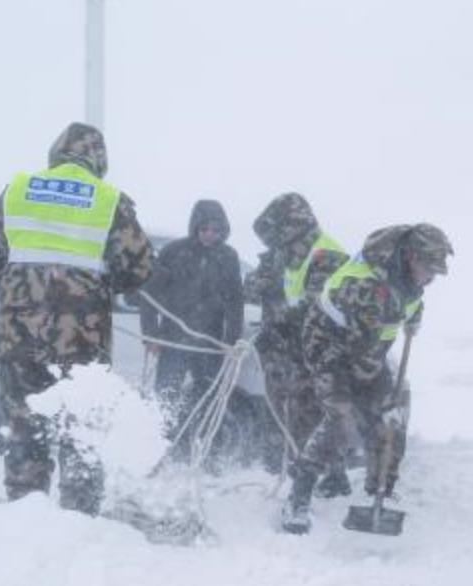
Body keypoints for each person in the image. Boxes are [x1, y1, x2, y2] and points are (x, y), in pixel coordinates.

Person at [0, 122, 153, 515]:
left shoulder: (19, 189)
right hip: (82, 344)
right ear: (99, 159)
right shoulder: (109, 200)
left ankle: (26, 517)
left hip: (19, 337)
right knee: (81, 435)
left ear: (57, 152)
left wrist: (26, 289)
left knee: (25, 431)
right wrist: (101, 284)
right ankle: (78, 523)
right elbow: (138, 269)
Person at [281, 223, 453, 534]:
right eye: (429, 269)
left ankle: (380, 489)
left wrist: (415, 316)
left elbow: (410, 300)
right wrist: (373, 403)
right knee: (342, 418)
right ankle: (298, 496)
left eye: (436, 273)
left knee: (391, 417)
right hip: (330, 346)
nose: (431, 278)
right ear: (411, 256)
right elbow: (363, 362)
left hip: (368, 345)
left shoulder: (408, 276)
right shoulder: (366, 287)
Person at [245, 193, 349, 488]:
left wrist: (277, 327)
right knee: (285, 411)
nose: (276, 245)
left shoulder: (326, 255)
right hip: (291, 351)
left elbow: (317, 309)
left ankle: (325, 478)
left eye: (278, 236)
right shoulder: (290, 252)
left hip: (321, 353)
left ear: (292, 227)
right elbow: (251, 289)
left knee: (315, 415)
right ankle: (287, 469)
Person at [139, 199, 244, 439]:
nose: (210, 235)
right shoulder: (173, 252)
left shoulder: (228, 257)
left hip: (211, 343)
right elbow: (148, 295)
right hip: (173, 340)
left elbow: (235, 301)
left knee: (209, 397)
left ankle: (204, 448)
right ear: (195, 226)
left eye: (216, 230)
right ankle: (158, 447)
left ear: (223, 231)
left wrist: (232, 341)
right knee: (165, 398)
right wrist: (150, 336)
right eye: (205, 228)